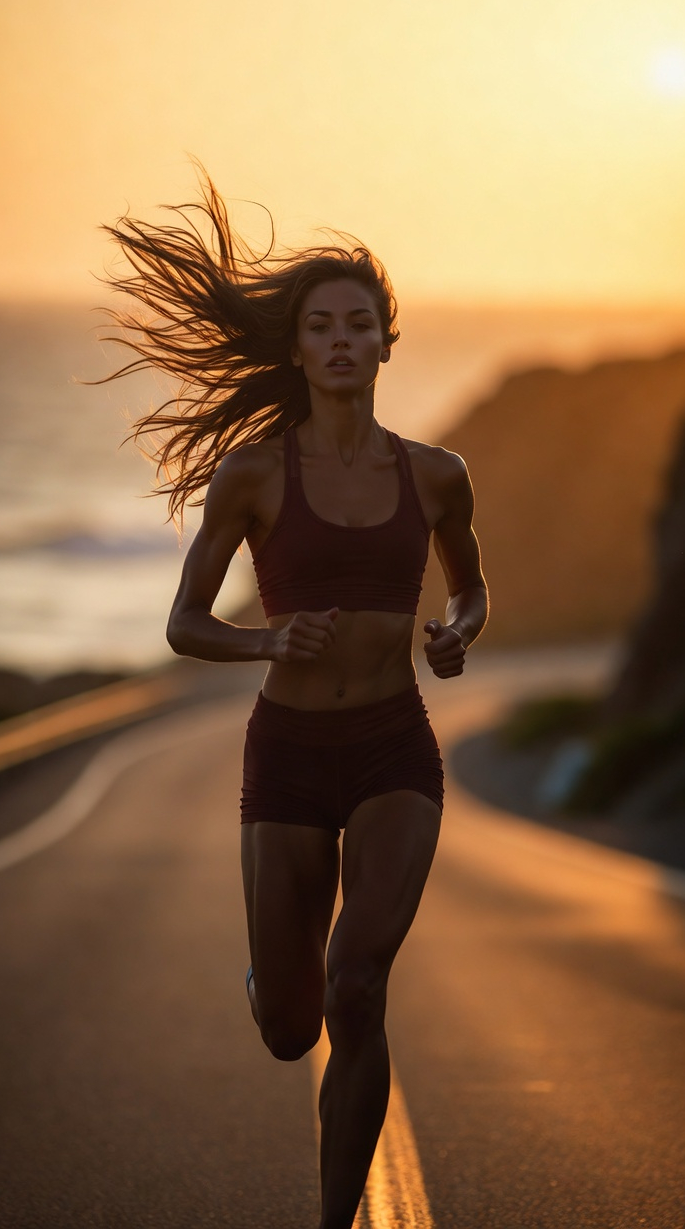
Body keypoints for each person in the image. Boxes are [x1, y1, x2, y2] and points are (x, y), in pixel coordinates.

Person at [103, 172, 488, 1229]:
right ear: (298, 348)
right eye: (320, 325)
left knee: (357, 983)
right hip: (286, 752)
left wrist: (459, 629)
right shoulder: (253, 476)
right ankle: (271, 981)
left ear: (384, 342)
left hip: (392, 750)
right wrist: (268, 636)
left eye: (359, 323)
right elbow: (186, 623)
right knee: (291, 1019)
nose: (340, 340)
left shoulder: (439, 474)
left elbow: (470, 582)